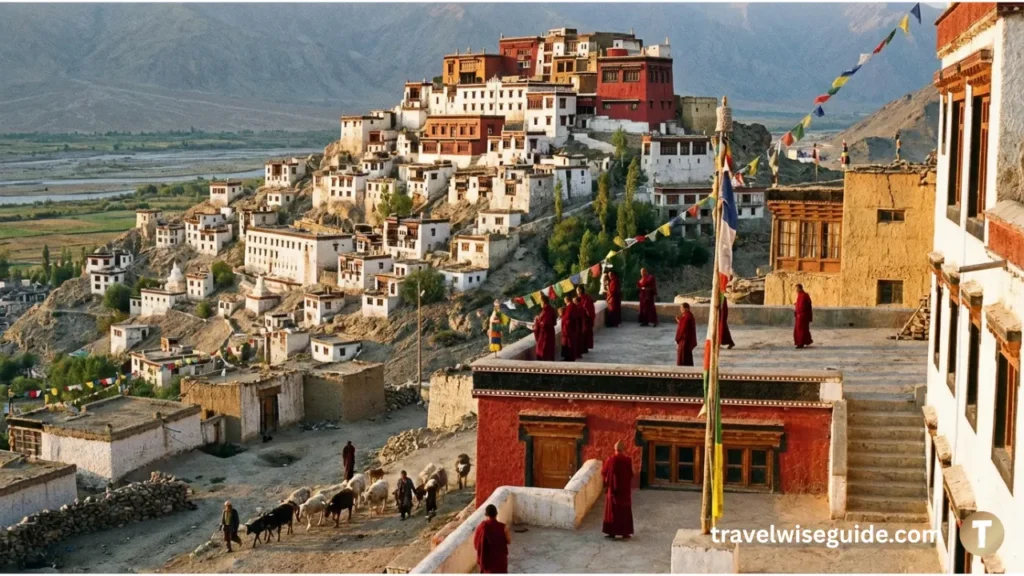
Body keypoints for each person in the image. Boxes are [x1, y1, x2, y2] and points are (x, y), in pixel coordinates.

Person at [601, 441, 634, 539]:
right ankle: (625, 533)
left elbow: (603, 472)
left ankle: (612, 532)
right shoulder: (628, 460)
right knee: (624, 510)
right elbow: (631, 474)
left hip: (613, 491)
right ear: (623, 449)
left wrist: (608, 482)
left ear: (615, 449)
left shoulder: (610, 460)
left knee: (613, 510)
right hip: (624, 490)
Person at [474, 504, 511, 573]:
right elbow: (509, 541)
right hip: (501, 561)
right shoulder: (503, 527)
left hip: (488, 562)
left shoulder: (481, 527)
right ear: (496, 514)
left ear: (486, 515)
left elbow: (476, 545)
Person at [576, 286, 596, 353]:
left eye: (578, 290)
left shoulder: (586, 298)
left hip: (585, 319)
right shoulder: (579, 298)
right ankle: (583, 347)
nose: (577, 291)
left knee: (585, 333)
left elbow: (588, 309)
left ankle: (584, 348)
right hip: (581, 319)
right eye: (577, 290)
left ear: (581, 290)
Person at [794, 284, 814, 349]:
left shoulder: (804, 295)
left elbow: (805, 305)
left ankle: (801, 343)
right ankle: (802, 342)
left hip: (802, 316)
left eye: (797, 289)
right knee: (800, 329)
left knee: (801, 330)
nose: (796, 290)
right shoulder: (800, 295)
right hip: (799, 316)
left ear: (800, 288)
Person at [560, 296, 579, 361]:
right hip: (571, 328)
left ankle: (569, 358)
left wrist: (561, 314)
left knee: (569, 343)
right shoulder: (572, 306)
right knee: (568, 343)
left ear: (567, 300)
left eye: (565, 300)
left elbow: (567, 317)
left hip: (569, 328)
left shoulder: (570, 307)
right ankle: (568, 357)